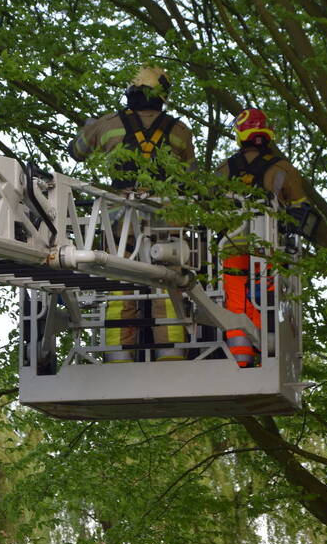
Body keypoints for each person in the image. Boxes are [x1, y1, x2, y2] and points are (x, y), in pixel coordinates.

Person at [69, 66, 195, 363]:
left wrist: (89, 128)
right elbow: (190, 179)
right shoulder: (180, 131)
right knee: (168, 280)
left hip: (119, 217)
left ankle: (119, 353)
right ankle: (170, 350)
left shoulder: (108, 125)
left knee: (120, 280)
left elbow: (76, 151)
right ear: (162, 96)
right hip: (166, 215)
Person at [217, 108, 308, 367]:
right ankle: (265, 354)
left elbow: (208, 204)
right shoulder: (282, 169)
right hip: (267, 249)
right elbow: (301, 209)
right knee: (265, 301)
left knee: (235, 302)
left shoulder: (224, 169)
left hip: (231, 247)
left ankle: (241, 358)